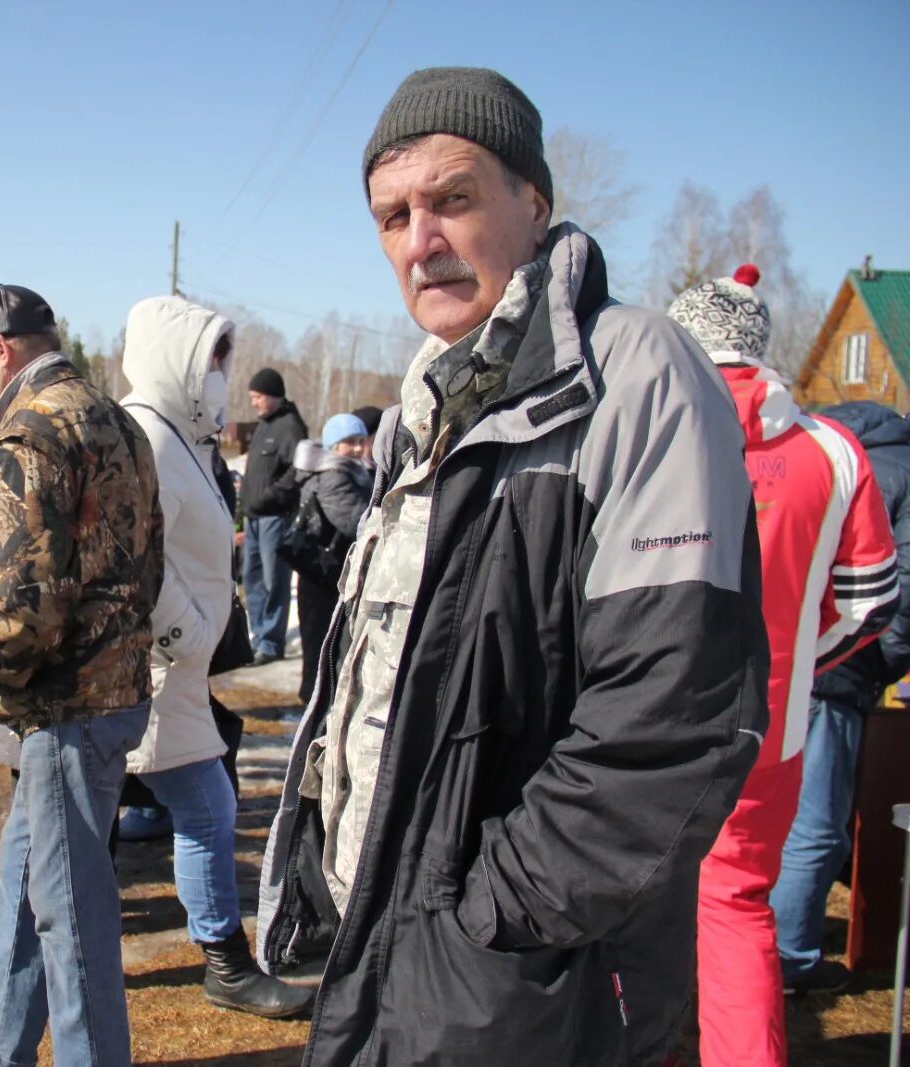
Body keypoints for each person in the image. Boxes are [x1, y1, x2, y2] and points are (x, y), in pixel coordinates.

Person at [255, 67, 768, 1065]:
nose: (419, 242)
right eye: (392, 215)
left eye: (453, 199)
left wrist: (481, 919)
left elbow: (665, 722)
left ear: (532, 203)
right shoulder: (430, 407)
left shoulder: (634, 380)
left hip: (520, 979)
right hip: (394, 941)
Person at [0, 283, 162, 1067]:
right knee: (29, 871)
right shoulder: (119, 421)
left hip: (65, 707)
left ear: (1, 346)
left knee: (70, 909)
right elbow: (149, 560)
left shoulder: (31, 433)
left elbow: (18, 606)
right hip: (112, 691)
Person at [667, 266, 895, 1064]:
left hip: (640, 720)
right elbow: (872, 597)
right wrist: (798, 659)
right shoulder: (834, 449)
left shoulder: (642, 425)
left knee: (634, 911)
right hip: (771, 721)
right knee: (735, 906)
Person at [116, 294, 314, 1019]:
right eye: (213, 361)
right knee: (203, 805)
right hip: (158, 667)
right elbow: (135, 558)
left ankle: (70, 960)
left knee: (138, 812)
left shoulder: (179, 433)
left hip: (179, 667)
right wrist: (188, 632)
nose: (221, 377)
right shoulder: (146, 436)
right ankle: (222, 962)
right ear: (176, 359)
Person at [772, 401, 910, 997]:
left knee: (761, 813)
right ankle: (788, 960)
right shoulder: (902, 470)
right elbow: (899, 596)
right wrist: (879, 666)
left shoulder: (812, 449)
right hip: (839, 666)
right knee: (816, 825)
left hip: (775, 654)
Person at [291, 414, 374, 706]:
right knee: (320, 647)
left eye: (360, 441)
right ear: (333, 445)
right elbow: (355, 521)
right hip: (321, 577)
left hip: (334, 573)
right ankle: (313, 711)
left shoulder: (356, 470)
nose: (356, 448)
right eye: (349, 442)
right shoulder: (332, 475)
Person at [239, 367, 307, 665]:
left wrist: (269, 498)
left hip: (275, 518)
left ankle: (271, 643)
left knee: (273, 580)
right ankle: (258, 636)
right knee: (252, 579)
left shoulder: (289, 426)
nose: (253, 402)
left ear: (272, 395)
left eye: (257, 397)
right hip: (254, 518)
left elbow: (298, 472)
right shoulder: (264, 425)